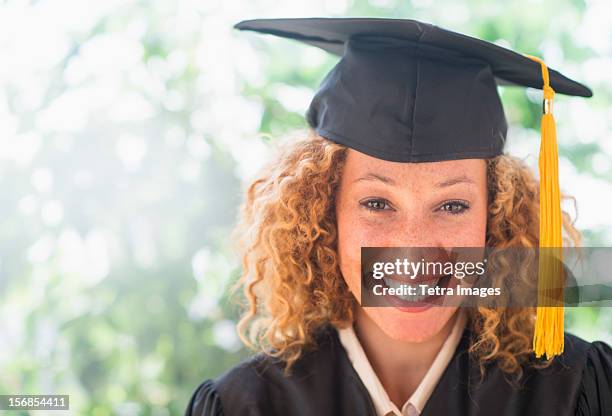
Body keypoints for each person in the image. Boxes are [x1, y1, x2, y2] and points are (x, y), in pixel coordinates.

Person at [184, 18, 612, 416]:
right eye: (377, 203)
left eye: (452, 206)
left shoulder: (574, 393)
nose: (414, 246)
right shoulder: (247, 406)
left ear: (496, 220)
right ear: (324, 212)